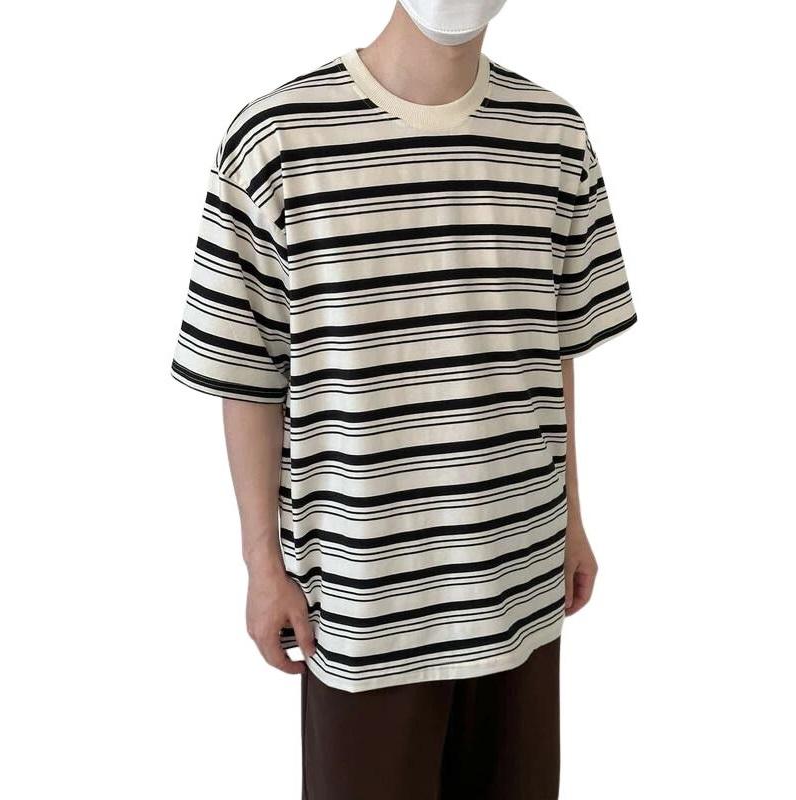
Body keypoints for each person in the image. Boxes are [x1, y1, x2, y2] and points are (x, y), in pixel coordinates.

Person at [171, 1, 637, 796]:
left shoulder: (554, 136)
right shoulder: (275, 141)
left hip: (520, 581)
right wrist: (261, 563)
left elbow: (551, 347)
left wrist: (572, 520)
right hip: (367, 599)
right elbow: (246, 370)